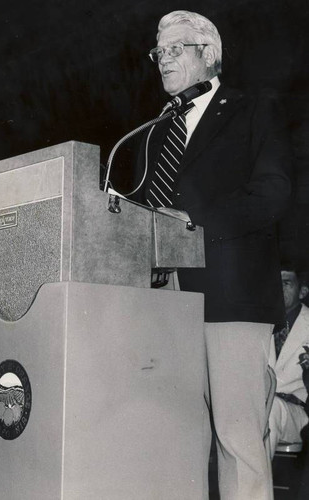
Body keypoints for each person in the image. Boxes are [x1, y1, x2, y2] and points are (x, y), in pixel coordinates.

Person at [131, 10, 291, 500]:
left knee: (237, 437)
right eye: (159, 52)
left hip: (231, 296)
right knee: (177, 437)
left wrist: (196, 225)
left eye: (176, 49)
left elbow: (273, 191)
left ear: (209, 53)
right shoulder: (156, 129)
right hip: (166, 303)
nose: (163, 61)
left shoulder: (251, 110)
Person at [268, 269, 309, 457]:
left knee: (271, 409)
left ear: (303, 292)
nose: (278, 288)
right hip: (261, 406)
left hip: (299, 415)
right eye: (275, 282)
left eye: (286, 283)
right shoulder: (259, 322)